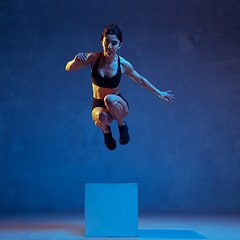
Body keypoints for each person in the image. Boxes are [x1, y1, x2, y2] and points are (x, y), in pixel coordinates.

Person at [65, 24, 174, 150]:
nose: (110, 47)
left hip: (117, 103)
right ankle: (107, 132)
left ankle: (122, 126)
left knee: (109, 100)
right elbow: (69, 68)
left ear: (119, 45)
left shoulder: (123, 64)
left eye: (114, 43)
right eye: (107, 42)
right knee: (100, 118)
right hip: (98, 103)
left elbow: (140, 79)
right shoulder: (94, 58)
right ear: (102, 42)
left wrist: (158, 92)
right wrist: (75, 61)